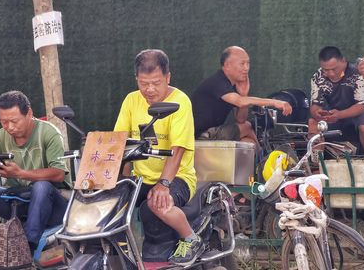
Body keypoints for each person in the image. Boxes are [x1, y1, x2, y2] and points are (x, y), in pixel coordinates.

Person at [114, 49, 201, 266]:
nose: (149, 90)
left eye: (156, 83)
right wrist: (117, 181)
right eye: (144, 83)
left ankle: (191, 238)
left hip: (178, 176)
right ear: (137, 79)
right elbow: (119, 142)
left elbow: (178, 150)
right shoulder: (131, 100)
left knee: (157, 202)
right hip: (142, 177)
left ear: (168, 78)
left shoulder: (181, 102)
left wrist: (163, 184)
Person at [0, 90, 70, 251]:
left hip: (51, 205)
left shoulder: (49, 133)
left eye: (14, 121)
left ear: (29, 113)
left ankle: (27, 249)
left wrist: (19, 173)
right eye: (4, 122)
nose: (9, 127)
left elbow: (58, 173)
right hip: (17, 202)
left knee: (41, 186)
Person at [191, 46, 292, 147]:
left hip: (213, 132)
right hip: (200, 135)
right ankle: (263, 160)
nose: (246, 68)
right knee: (247, 126)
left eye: (248, 63)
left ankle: (258, 159)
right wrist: (275, 102)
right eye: (242, 64)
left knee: (248, 142)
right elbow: (240, 102)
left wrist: (244, 94)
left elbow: (240, 119)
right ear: (227, 65)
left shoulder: (233, 86)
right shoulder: (218, 82)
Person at [309, 46, 364, 154]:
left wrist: (339, 114)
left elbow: (362, 106)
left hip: (357, 114)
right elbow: (315, 104)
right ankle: (317, 163)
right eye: (326, 70)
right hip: (334, 114)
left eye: (334, 69)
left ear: (343, 61)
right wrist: (318, 113)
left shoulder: (357, 73)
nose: (330, 73)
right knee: (313, 122)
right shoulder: (318, 76)